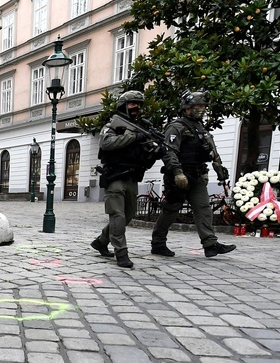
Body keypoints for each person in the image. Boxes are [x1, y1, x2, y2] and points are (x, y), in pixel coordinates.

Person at [90, 90, 180, 269]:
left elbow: (144, 156)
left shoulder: (144, 127)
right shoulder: (113, 126)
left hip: (132, 177)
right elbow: (106, 143)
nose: (136, 107)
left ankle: (101, 241)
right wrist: (133, 136)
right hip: (115, 176)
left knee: (129, 215)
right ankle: (121, 253)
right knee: (118, 216)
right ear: (123, 105)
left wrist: (156, 151)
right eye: (132, 104)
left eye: (138, 104)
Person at [150, 91, 237, 258]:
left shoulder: (201, 128)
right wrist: (177, 172)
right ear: (186, 108)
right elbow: (169, 152)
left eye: (203, 107)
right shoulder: (176, 127)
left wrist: (220, 170)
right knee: (171, 210)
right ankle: (158, 243)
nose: (201, 110)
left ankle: (210, 244)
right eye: (197, 107)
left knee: (203, 208)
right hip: (179, 176)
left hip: (197, 175)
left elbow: (211, 151)